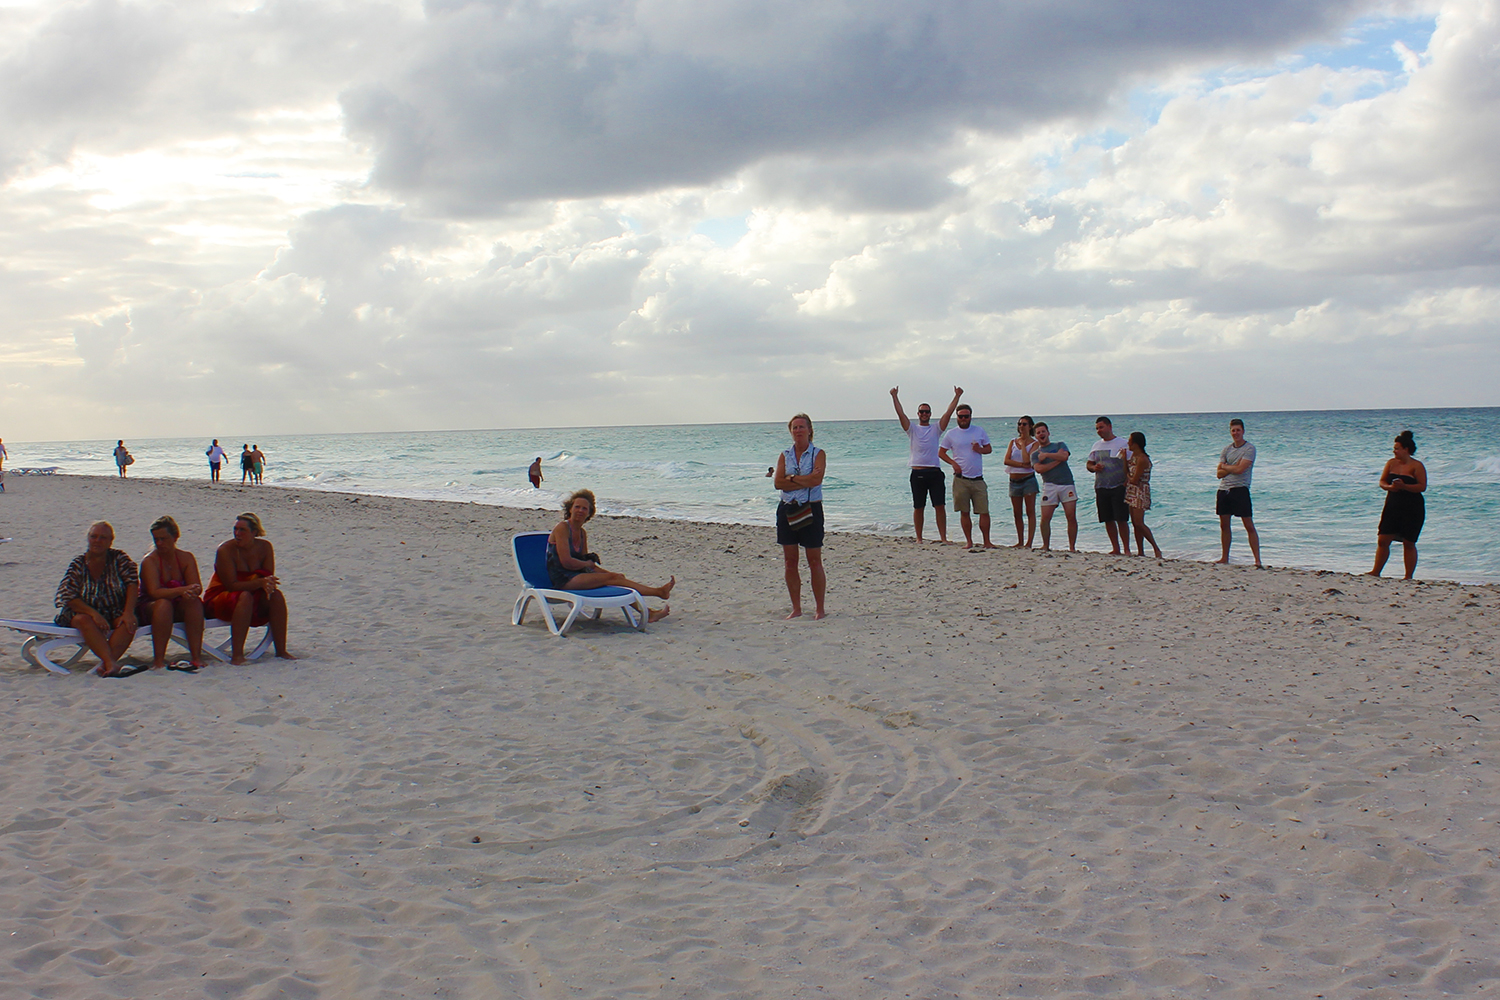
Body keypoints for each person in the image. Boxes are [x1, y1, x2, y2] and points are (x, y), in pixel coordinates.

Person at [547, 489, 673, 622]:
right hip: (562, 578)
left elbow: (588, 565)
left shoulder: (582, 533)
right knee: (612, 578)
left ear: (589, 513)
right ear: (570, 509)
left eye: (584, 508)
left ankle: (649, 612)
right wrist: (589, 565)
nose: (580, 510)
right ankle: (658, 592)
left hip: (575, 575)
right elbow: (567, 562)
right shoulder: (563, 528)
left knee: (617, 578)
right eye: (577, 507)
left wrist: (610, 574)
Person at [203, 512, 295, 663]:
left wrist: (267, 584)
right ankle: (237, 655)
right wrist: (260, 583)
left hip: (251, 593)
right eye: (235, 529)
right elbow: (231, 585)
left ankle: (281, 651)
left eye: (242, 530)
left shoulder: (265, 547)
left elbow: (267, 577)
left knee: (276, 595)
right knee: (244, 596)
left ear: (254, 532)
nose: (237, 534)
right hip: (221, 595)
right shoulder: (225, 550)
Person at [54, 521, 139, 677]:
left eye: (102, 538)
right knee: (83, 620)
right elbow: (68, 596)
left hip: (113, 610)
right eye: (94, 537)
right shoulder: (79, 564)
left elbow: (132, 584)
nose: (97, 541)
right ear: (88, 538)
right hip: (82, 612)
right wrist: (94, 614)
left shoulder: (119, 559)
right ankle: (109, 662)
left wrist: (128, 612)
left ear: (110, 541)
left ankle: (106, 664)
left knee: (128, 624)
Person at [890, 385, 963, 543]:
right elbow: (901, 414)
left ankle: (943, 538)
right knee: (918, 507)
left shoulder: (936, 428)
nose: (924, 414)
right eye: (922, 412)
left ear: (930, 414)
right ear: (918, 414)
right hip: (917, 473)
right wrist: (894, 396)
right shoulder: (912, 429)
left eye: (927, 412)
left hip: (934, 473)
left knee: (940, 506)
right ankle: (919, 538)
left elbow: (948, 413)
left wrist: (957, 396)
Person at [775, 413, 828, 618]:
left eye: (801, 427)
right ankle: (796, 608)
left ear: (809, 430)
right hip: (787, 508)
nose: (798, 431)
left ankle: (819, 609)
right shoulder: (785, 455)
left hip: (811, 509)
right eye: (794, 427)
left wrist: (791, 478)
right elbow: (778, 483)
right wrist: (802, 479)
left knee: (814, 561)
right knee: (790, 561)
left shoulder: (818, 454)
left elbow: (816, 480)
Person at [137, 515, 206, 670]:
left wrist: (191, 591)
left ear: (175, 537)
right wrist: (182, 590)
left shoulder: (186, 558)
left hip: (178, 604)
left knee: (194, 603)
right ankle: (159, 660)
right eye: (156, 539)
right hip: (151, 606)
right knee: (163, 605)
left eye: (163, 539)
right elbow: (154, 592)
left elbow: (196, 586)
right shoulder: (150, 561)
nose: (159, 543)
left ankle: (196, 657)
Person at [1369, 430, 1426, 580]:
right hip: (1393, 504)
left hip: (1412, 507)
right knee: (1383, 539)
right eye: (1394, 449)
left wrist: (1404, 486)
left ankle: (1408, 576)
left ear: (1406, 449)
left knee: (1409, 542)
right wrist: (1390, 487)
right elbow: (1382, 481)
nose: (1394, 451)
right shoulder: (1391, 463)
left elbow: (1422, 486)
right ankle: (1376, 571)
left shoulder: (1416, 465)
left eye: (1397, 448)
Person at [939, 404, 994, 550]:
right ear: (957, 417)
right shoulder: (951, 434)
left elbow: (989, 449)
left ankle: (987, 542)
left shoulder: (979, 431)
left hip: (978, 479)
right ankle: (969, 542)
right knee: (964, 512)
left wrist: (979, 449)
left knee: (984, 511)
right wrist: (953, 463)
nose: (963, 419)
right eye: (961, 416)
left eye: (966, 416)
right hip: (960, 479)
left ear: (970, 417)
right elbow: (941, 452)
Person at [1214, 418, 1262, 567]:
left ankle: (1257, 560)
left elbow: (1241, 469)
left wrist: (1227, 467)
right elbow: (1219, 474)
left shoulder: (1249, 449)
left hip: (1240, 489)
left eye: (1238, 430)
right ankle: (1224, 557)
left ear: (1243, 431)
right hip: (1224, 490)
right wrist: (1231, 467)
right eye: (1233, 430)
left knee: (1248, 525)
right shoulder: (1226, 449)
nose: (1236, 433)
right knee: (1224, 525)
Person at [1084, 417, 1131, 555]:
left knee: (1121, 519)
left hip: (1119, 485)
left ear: (1109, 426)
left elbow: (1131, 463)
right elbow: (1089, 464)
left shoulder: (1123, 443)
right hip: (1101, 486)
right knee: (1107, 519)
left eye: (1101, 427)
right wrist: (1094, 468)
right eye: (1097, 428)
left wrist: (1128, 480)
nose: (1099, 431)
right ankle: (1116, 548)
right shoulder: (1096, 445)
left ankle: (1127, 549)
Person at [1032, 422, 1078, 552]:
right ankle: (1045, 545)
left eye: (1043, 431)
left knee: (1071, 516)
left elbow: (1064, 456)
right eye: (1038, 432)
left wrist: (1047, 455)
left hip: (1067, 484)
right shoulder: (1035, 454)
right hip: (1049, 486)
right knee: (1045, 518)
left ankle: (1072, 547)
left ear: (1048, 433)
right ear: (1035, 436)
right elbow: (1039, 469)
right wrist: (1058, 460)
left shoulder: (1059, 445)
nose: (1041, 434)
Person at [1004, 415, 1040, 548]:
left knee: (1030, 511)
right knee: (1017, 513)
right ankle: (1020, 541)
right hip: (1014, 481)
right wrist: (1021, 465)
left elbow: (1028, 460)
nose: (1021, 426)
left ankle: (1029, 542)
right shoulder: (1013, 442)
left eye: (1024, 424)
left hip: (1028, 480)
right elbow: (1006, 460)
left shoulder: (1034, 444)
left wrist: (1024, 445)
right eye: (1019, 424)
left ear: (1030, 426)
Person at [1125, 432, 1163, 559]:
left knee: (1139, 522)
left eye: (1130, 441)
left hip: (1140, 491)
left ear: (1135, 443)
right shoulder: (1134, 457)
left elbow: (1134, 479)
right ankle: (1140, 551)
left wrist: (1127, 474)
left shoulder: (1142, 459)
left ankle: (1156, 548)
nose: (1128, 443)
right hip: (1132, 491)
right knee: (1135, 523)